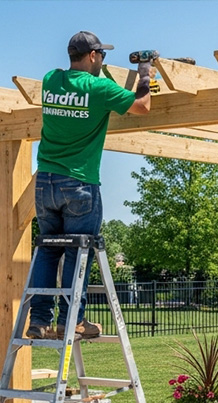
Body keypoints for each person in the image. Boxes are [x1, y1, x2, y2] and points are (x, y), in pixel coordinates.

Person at [26, 31, 152, 339]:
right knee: (76, 253)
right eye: (102, 56)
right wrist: (145, 72)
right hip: (79, 183)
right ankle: (73, 321)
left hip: (45, 182)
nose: (103, 61)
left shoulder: (50, 80)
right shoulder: (99, 89)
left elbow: (79, 91)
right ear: (93, 56)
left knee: (47, 249)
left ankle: (39, 322)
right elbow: (142, 106)